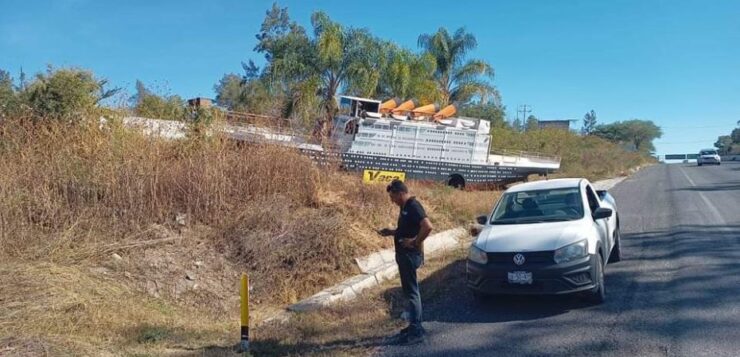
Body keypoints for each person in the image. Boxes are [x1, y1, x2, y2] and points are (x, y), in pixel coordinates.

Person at [378, 179, 434, 345]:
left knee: (412, 292)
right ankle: (413, 325)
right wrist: (391, 232)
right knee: (410, 291)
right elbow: (407, 229)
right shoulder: (404, 207)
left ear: (400, 193)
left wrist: (415, 242)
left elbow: (427, 226)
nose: (392, 200)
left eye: (393, 196)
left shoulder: (413, 206)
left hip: (410, 255)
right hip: (404, 256)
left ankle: (416, 330)